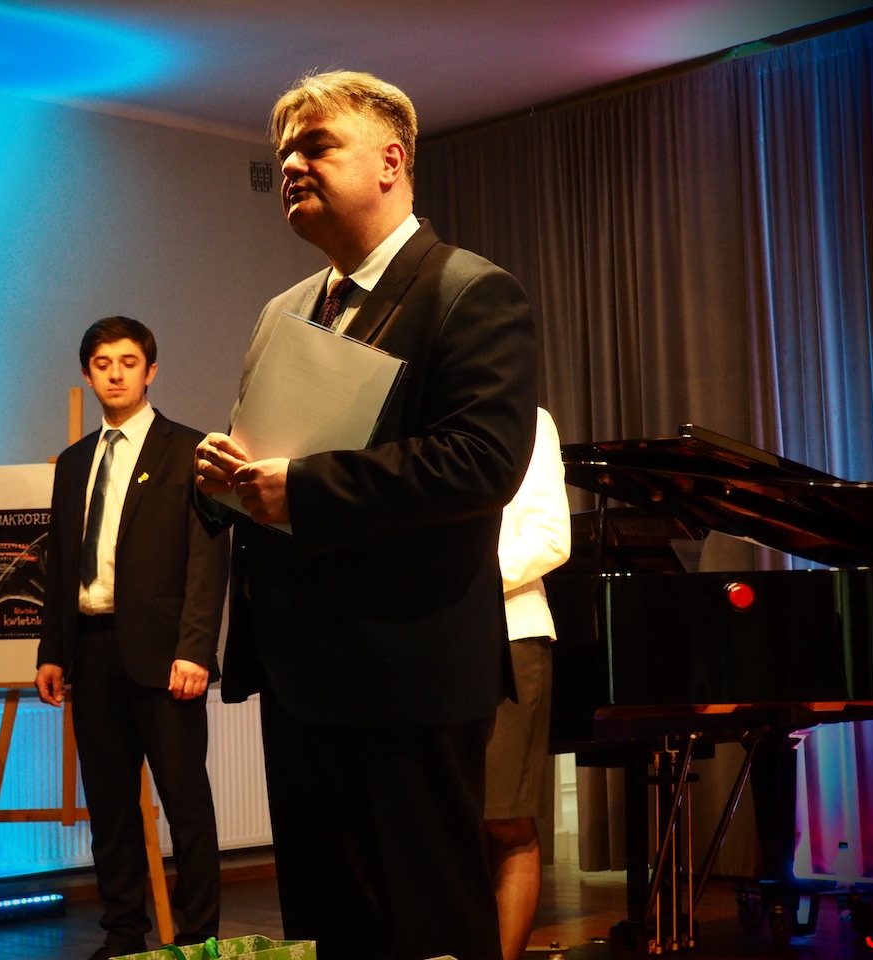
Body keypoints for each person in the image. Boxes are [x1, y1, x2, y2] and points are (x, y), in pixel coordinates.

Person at [194, 71, 537, 960]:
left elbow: (481, 463)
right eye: (283, 154)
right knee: (329, 927)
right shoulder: (285, 309)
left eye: (316, 146)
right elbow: (275, 457)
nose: (291, 165)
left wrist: (303, 489)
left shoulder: (470, 290)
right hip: (299, 670)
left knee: (428, 925)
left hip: (408, 670)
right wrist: (226, 479)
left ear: (391, 161)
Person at [36, 317, 229, 960]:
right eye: (102, 363)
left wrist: (195, 649)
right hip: (91, 652)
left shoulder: (191, 450)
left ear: (151, 371)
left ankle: (198, 940)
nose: (115, 373)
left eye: (127, 361)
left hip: (166, 655)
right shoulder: (73, 463)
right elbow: (59, 563)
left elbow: (208, 558)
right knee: (111, 808)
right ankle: (123, 937)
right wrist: (52, 651)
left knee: (186, 804)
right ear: (87, 374)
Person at [487, 407, 571, 960]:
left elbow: (550, 538)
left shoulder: (527, 419)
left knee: (504, 818)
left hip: (509, 632)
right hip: (423, 643)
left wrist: (464, 583)